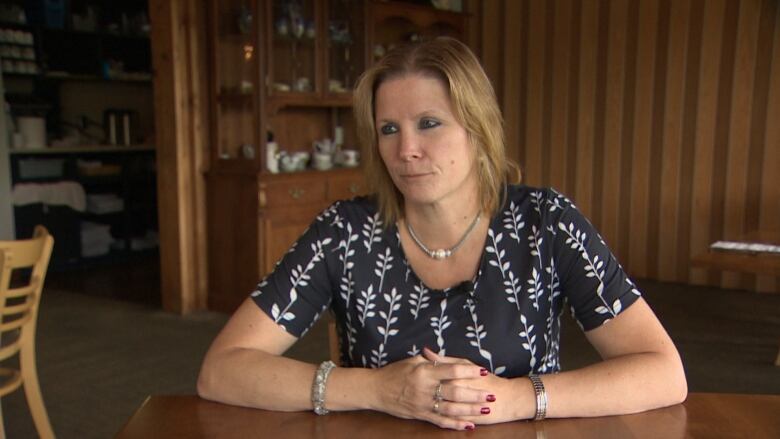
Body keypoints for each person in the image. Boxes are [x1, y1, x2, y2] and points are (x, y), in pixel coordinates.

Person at [198, 37, 687, 431]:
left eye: (428, 124)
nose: (406, 149)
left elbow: (664, 373)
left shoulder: (545, 222)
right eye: (388, 129)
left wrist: (515, 397)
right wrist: (373, 389)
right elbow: (222, 370)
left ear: (477, 130)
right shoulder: (343, 232)